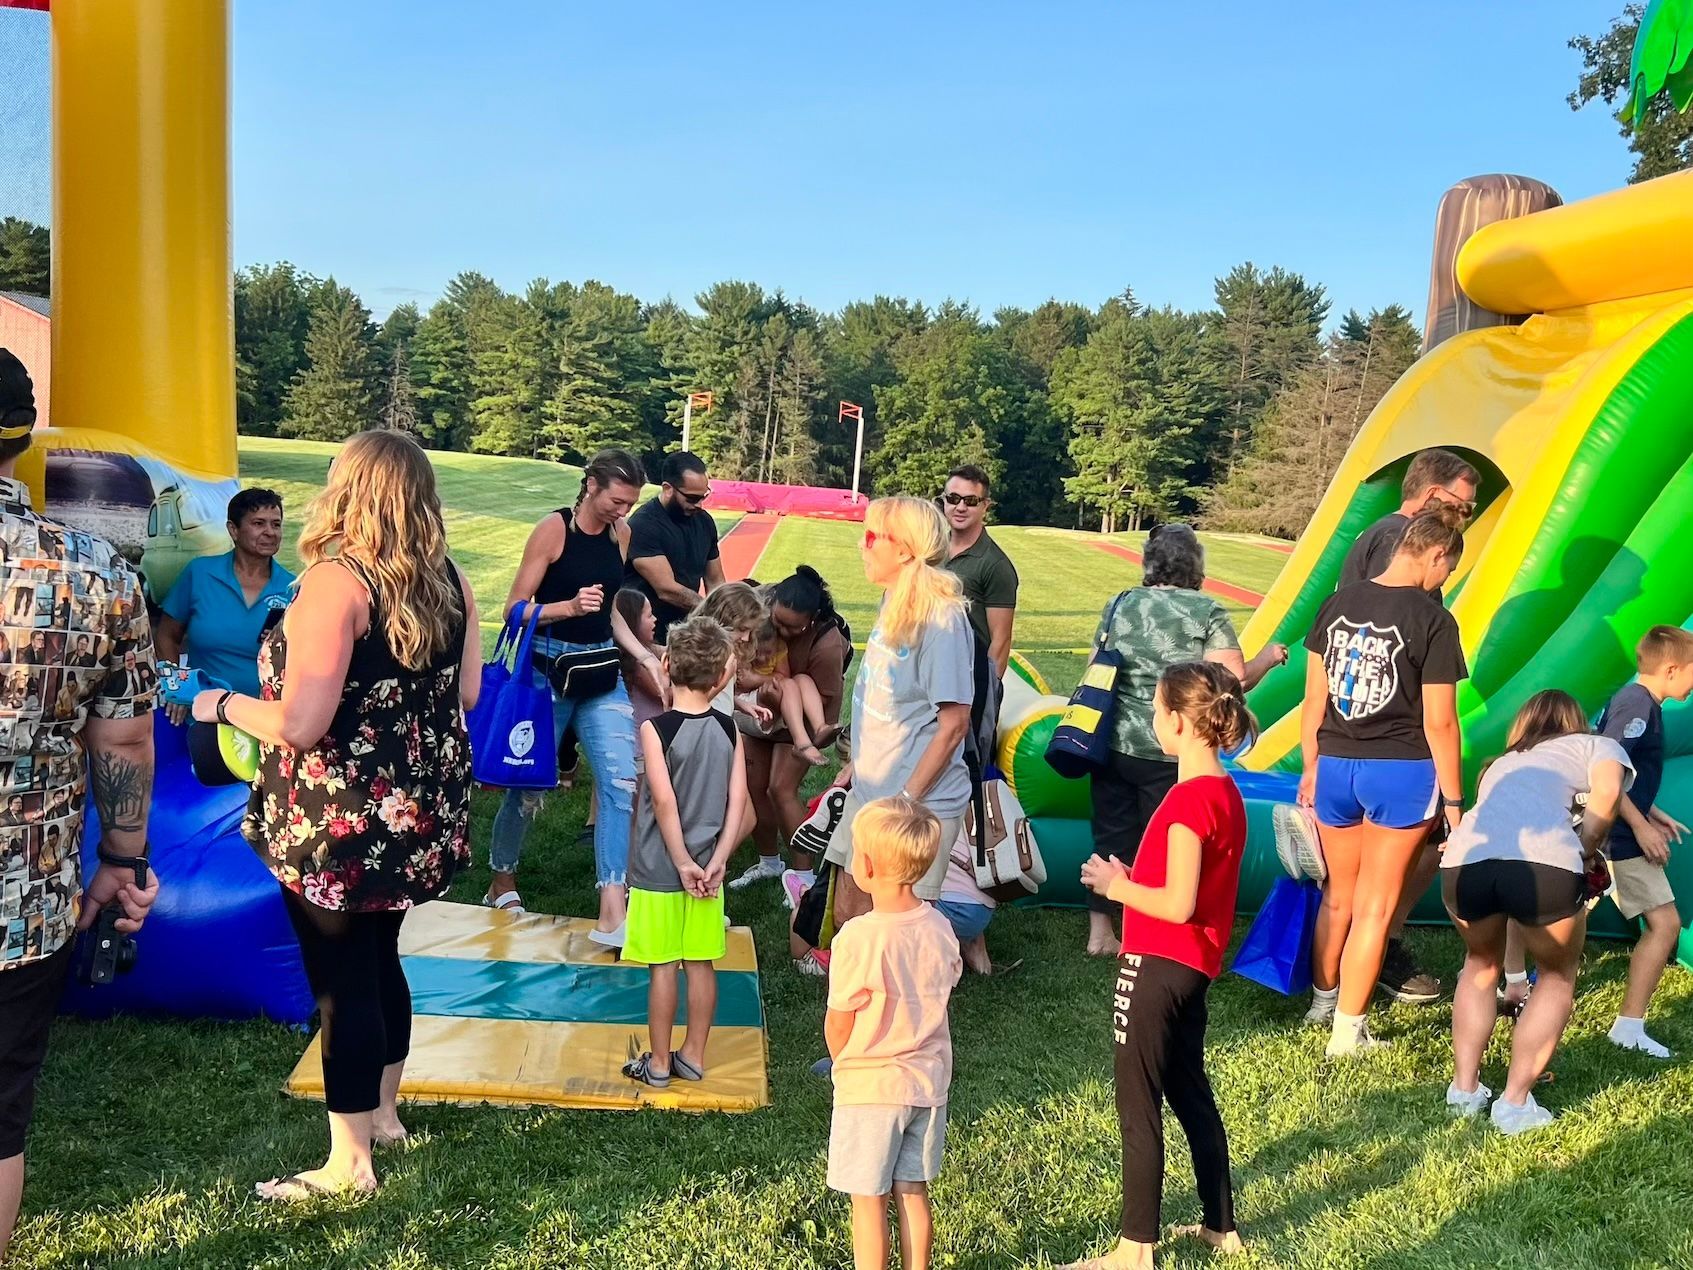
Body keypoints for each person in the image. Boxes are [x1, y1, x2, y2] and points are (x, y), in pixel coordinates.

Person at [193, 429, 479, 1199]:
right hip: (413, 810)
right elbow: (470, 694)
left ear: (347, 488)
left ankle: (349, 1164)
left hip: (338, 819)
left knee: (341, 978)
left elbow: (297, 724)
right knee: (380, 958)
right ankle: (382, 1115)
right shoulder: (448, 578)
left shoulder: (334, 583)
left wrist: (214, 703)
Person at [0, 347, 160, 1261]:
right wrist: (122, 857)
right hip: (24, 898)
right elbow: (124, 740)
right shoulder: (97, 572)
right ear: (24, 439)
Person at [1066, 662, 1252, 1270]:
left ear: (1176, 721)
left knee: (1138, 1100)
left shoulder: (1189, 799)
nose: (1152, 720)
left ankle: (1134, 1249)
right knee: (1187, 1089)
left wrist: (1115, 886)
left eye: (1155, 710)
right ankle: (1220, 1226)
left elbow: (1178, 902)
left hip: (1157, 964)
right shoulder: (1225, 792)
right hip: (1191, 968)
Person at [1300, 504, 1468, 1057]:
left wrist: (1309, 765)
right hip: (1403, 770)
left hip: (1336, 765)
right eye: (1448, 570)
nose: (1445, 581)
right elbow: (1440, 721)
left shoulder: (1337, 604)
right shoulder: (1434, 620)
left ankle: (1322, 1003)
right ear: (1436, 554)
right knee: (1375, 906)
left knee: (1337, 897)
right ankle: (1348, 1031)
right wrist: (1454, 799)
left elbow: (1314, 701)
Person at [1084, 524, 1285, 957]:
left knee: (1111, 830)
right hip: (1171, 744)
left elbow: (1096, 664)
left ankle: (1100, 931)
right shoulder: (1205, 610)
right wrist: (1268, 656)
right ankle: (1150, 921)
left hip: (1114, 738)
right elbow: (1233, 679)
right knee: (1163, 841)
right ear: (1196, 566)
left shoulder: (1121, 602)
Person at [1440, 690, 1631, 1133]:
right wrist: (1585, 849)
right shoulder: (1597, 745)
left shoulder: (1504, 762)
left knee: (1478, 965)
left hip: (1466, 862)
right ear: (1577, 721)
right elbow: (1607, 795)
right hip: (1545, 861)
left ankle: (1464, 1090)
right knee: (1558, 976)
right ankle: (1514, 1104)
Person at [489, 450, 661, 942]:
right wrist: (564, 607)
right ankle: (502, 876)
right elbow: (513, 609)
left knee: (619, 782)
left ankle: (613, 906)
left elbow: (608, 614)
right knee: (529, 786)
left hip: (599, 670)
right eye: (616, 500)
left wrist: (646, 657)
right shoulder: (553, 530)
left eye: (629, 504)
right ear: (591, 485)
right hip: (547, 668)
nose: (622, 512)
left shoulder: (621, 536)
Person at [1338, 447, 1479, 1005]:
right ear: (1433, 497)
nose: (1464, 516)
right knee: (1420, 843)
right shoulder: (1398, 546)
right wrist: (1452, 795)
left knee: (1355, 874)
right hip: (1394, 737)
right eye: (1463, 507)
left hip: (1353, 734)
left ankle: (1338, 981)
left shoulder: (1378, 536)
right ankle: (1378, 955)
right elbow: (1381, 636)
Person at [824, 796, 962, 1270]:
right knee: (912, 1190)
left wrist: (841, 1060)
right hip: (926, 1085)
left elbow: (840, 1018)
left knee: (868, 1199)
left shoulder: (857, 938)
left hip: (869, 1088)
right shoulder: (941, 928)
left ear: (863, 866)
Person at [824, 499, 975, 924]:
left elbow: (954, 724)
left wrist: (905, 802)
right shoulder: (893, 599)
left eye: (872, 536)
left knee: (895, 933)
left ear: (906, 550)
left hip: (915, 806)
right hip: (873, 791)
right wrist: (858, 764)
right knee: (848, 916)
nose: (861, 544)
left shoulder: (941, 618)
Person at [620, 616, 748, 1087]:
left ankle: (657, 1063)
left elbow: (664, 800)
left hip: (660, 868)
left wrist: (681, 863)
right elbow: (739, 801)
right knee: (700, 963)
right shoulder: (730, 728)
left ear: (667, 664)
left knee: (663, 968)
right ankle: (693, 1054)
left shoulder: (655, 729)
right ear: (720, 678)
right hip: (709, 873)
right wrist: (718, 860)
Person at [1597, 624, 1693, 1058]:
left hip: (1617, 830)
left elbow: (1625, 775)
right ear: (1672, 669)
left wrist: (1653, 813)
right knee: (1666, 924)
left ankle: (1516, 979)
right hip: (1617, 838)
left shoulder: (1642, 703)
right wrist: (1639, 827)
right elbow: (1606, 774)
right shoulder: (1636, 705)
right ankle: (1629, 1025)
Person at [731, 566, 851, 890]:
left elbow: (826, 699)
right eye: (777, 620)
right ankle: (769, 862)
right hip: (758, 709)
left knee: (780, 789)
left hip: (802, 720)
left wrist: (798, 720)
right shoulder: (760, 605)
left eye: (791, 627)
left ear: (810, 621)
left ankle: (805, 876)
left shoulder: (827, 644)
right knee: (754, 787)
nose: (780, 629)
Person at [157, 487, 294, 722]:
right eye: (259, 523)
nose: (270, 532)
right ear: (233, 529)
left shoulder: (293, 588)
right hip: (202, 716)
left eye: (276, 524)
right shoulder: (200, 573)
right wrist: (178, 687)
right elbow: (166, 636)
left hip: (264, 721)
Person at [624, 451, 725, 643]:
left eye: (703, 497)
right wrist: (711, 612)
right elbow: (666, 589)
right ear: (668, 488)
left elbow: (716, 580)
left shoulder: (705, 522)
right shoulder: (644, 524)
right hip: (645, 633)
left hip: (684, 629)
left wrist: (725, 609)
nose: (699, 505)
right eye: (692, 498)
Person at [939, 465, 1018, 678]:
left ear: (985, 506)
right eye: (953, 498)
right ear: (944, 500)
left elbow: (1000, 641)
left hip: (968, 682)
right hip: (930, 675)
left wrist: (986, 698)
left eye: (971, 501)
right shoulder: (932, 550)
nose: (961, 507)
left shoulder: (996, 565)